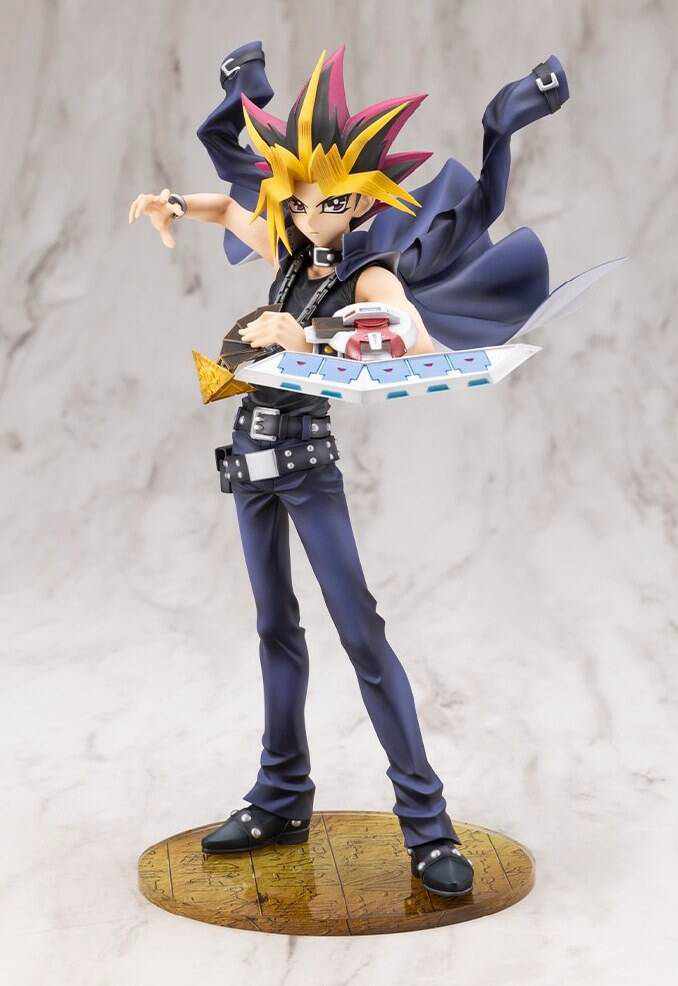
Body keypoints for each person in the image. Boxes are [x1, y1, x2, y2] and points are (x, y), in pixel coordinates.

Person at [129, 41, 570, 898]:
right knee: (273, 628)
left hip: (304, 463)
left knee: (361, 633)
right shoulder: (289, 251)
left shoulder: (368, 273)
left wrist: (311, 337)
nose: (305, 212)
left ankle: (427, 828)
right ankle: (280, 797)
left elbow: (405, 334)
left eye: (327, 200)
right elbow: (232, 212)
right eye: (296, 197)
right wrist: (174, 202)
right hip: (248, 460)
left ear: (363, 199)